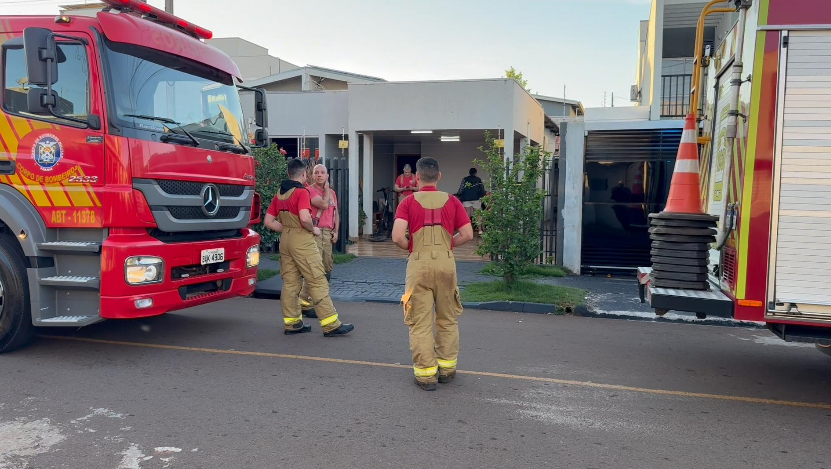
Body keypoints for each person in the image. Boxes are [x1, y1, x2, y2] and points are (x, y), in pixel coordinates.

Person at [392, 157, 474, 391]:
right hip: (446, 264)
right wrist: (448, 245)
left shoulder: (407, 202)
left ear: (416, 177)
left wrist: (412, 246)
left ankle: (426, 375)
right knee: (447, 319)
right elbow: (468, 234)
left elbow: (398, 236)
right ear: (438, 176)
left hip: (419, 264)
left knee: (420, 322)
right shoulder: (452, 201)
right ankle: (447, 369)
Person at [263, 158, 354, 337]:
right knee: (317, 279)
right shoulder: (302, 192)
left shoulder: (280, 194)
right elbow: (305, 217)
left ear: (289, 173)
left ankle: (293, 323)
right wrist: (314, 230)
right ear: (304, 174)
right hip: (302, 241)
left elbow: (268, 221)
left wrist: (287, 229)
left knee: (290, 283)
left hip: (286, 240)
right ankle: (331, 324)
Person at [308, 164, 339, 278]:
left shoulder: (333, 193)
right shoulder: (309, 190)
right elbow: (323, 205)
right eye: (316, 172)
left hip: (328, 232)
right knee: (316, 261)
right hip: (315, 231)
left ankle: (324, 289)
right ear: (312, 175)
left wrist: (336, 231)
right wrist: (326, 190)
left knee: (327, 262)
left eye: (322, 172)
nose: (319, 175)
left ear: (327, 175)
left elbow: (335, 213)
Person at [456, 168, 486, 235]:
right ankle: (480, 230)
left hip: (466, 198)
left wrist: (459, 195)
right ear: (476, 173)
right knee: (478, 214)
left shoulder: (465, 179)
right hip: (476, 198)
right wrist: (483, 195)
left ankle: (467, 230)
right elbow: (482, 189)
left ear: (469, 173)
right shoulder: (478, 180)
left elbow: (461, 188)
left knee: (467, 214)